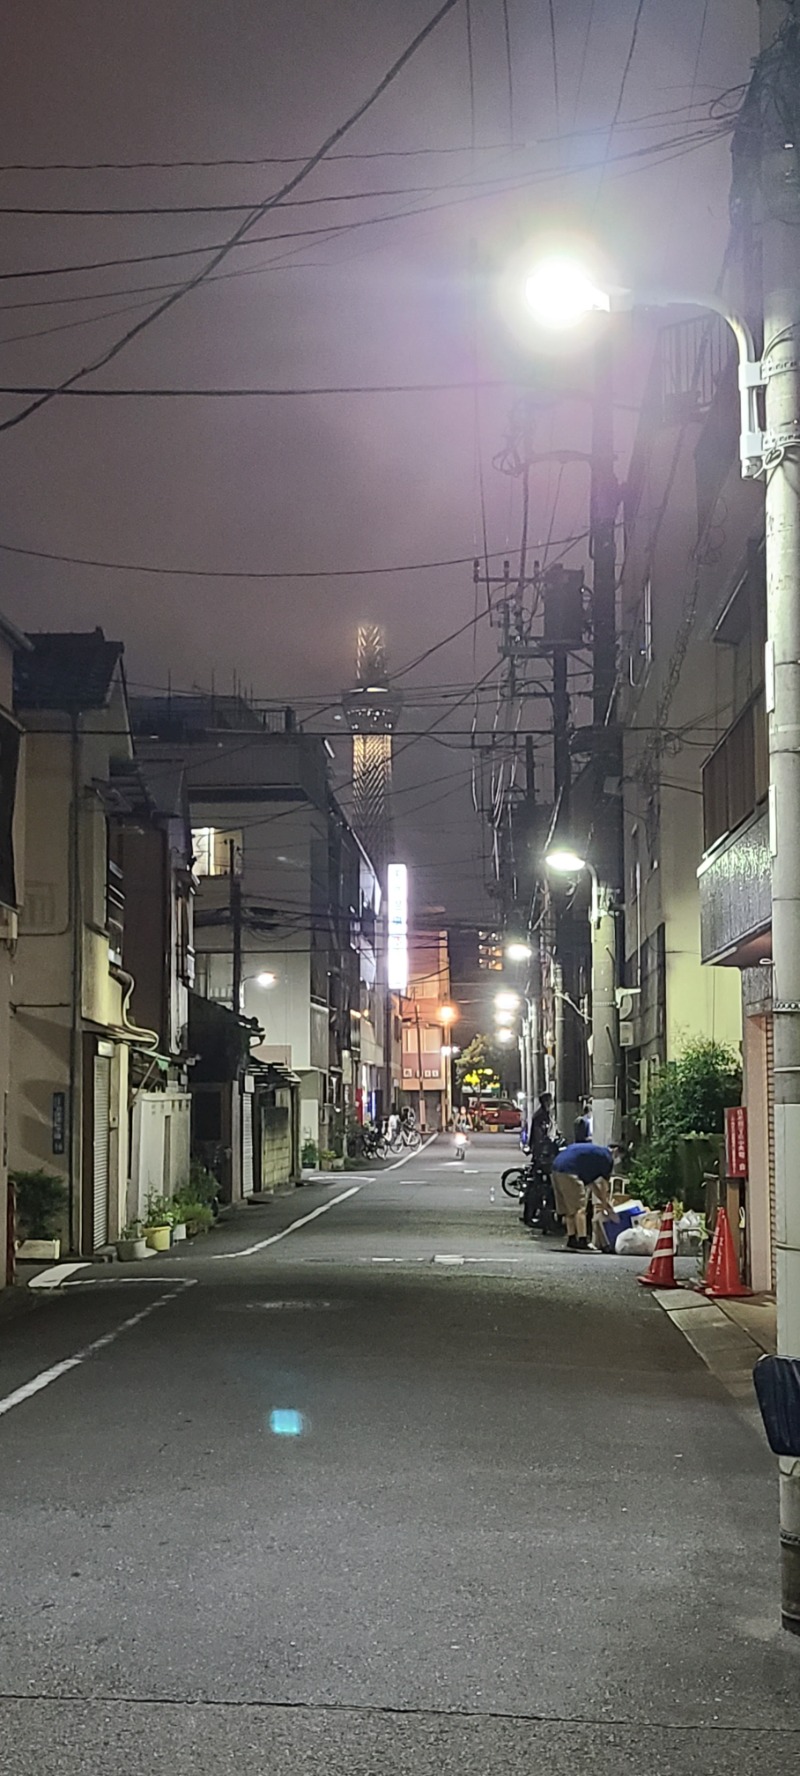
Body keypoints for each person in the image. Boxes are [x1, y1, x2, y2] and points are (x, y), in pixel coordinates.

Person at [551, 1141, 619, 1252]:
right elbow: (603, 1186)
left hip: (557, 1167)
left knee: (569, 1209)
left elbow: (593, 1185)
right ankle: (582, 1240)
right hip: (570, 1170)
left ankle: (572, 1238)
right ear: (615, 1150)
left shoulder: (595, 1156)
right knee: (580, 1208)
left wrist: (604, 1203)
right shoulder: (607, 1158)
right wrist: (607, 1205)